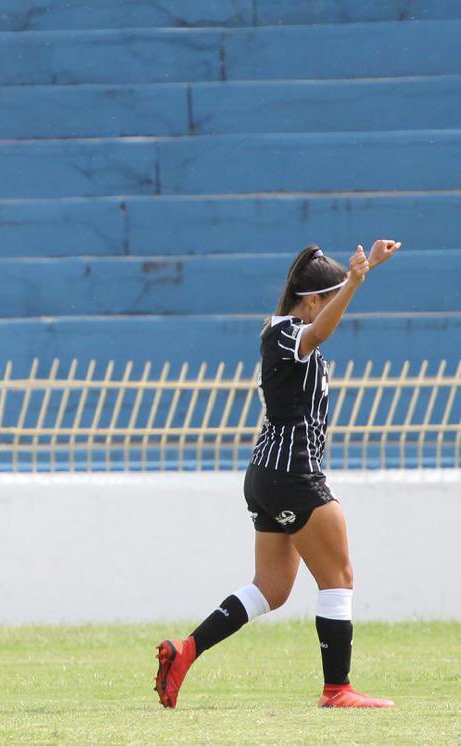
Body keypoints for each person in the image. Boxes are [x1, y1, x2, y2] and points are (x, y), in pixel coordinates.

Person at [154, 240, 402, 709]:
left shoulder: (284, 332)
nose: (332, 311)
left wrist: (356, 280)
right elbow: (320, 334)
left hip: (268, 473)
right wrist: (355, 281)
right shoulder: (286, 332)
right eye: (327, 300)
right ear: (311, 301)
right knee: (338, 577)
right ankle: (338, 689)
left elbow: (321, 333)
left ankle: (185, 651)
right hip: (292, 473)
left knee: (271, 588)